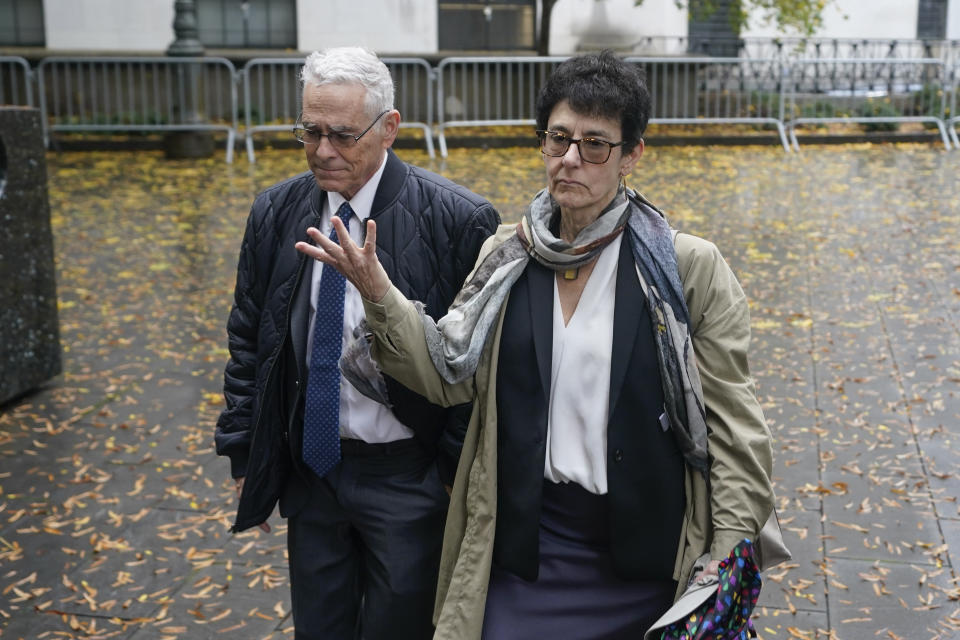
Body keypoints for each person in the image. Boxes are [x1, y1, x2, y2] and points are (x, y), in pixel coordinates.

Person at [297, 51, 774, 639]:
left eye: (596, 144)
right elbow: (447, 374)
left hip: (649, 559)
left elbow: (734, 430)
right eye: (559, 138)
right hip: (531, 544)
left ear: (631, 156)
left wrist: (723, 559)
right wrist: (378, 291)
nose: (571, 160)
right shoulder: (509, 256)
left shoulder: (687, 270)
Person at [215, 46, 499, 640]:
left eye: (342, 135)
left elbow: (478, 361)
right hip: (313, 471)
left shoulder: (458, 220)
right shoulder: (276, 211)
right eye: (310, 131)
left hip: (408, 478)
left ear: (389, 128)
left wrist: (447, 472)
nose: (322, 151)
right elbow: (250, 338)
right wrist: (247, 450)